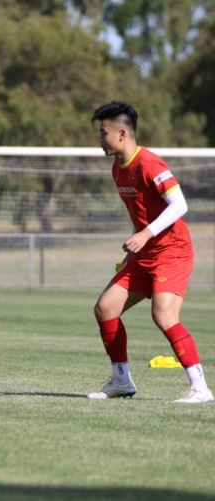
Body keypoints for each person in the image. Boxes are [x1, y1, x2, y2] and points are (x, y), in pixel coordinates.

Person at [88, 101, 212, 403]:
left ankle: (200, 388)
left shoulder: (151, 165)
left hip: (173, 251)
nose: (99, 139)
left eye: (103, 133)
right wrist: (135, 244)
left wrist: (145, 234)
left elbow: (180, 205)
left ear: (121, 133)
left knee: (164, 314)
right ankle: (121, 381)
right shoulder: (118, 170)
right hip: (145, 254)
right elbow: (141, 216)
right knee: (105, 308)